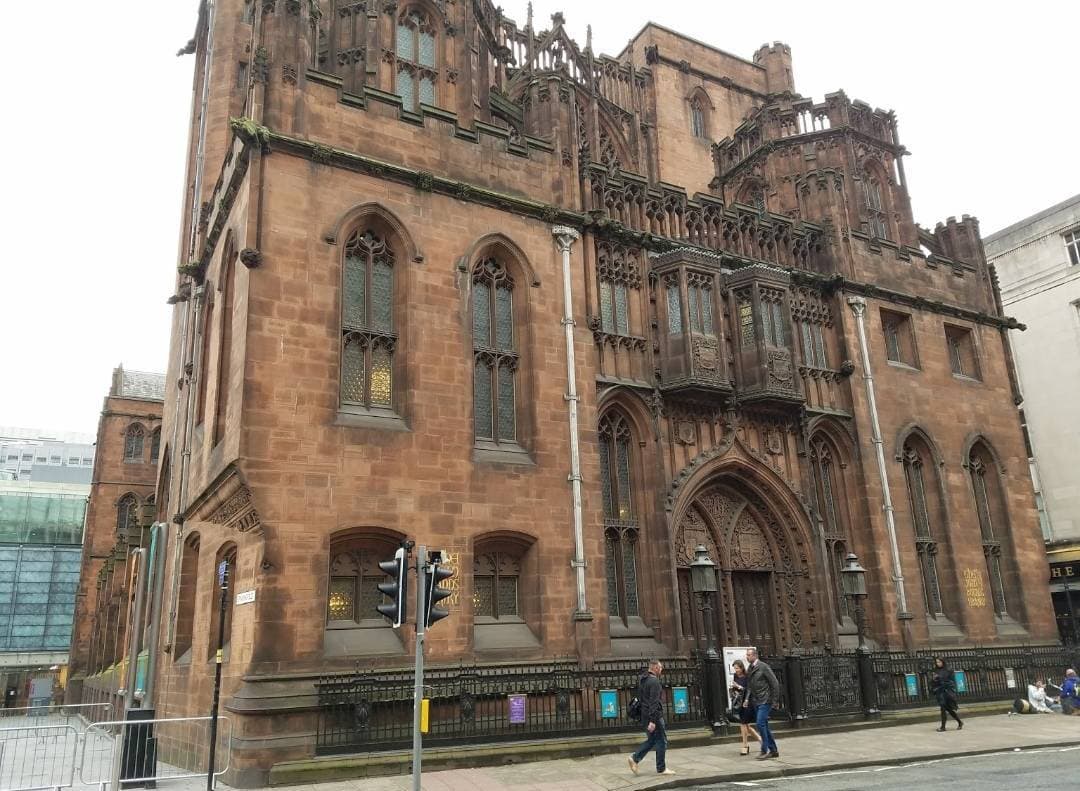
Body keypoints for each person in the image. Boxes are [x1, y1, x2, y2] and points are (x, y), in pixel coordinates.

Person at [627, 659, 675, 777]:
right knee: (662, 741)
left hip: (644, 716)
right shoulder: (654, 682)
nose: (661, 669)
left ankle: (635, 758)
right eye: (660, 667)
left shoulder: (643, 680)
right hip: (654, 717)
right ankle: (661, 768)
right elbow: (654, 703)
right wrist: (653, 720)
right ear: (655, 668)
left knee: (653, 740)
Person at [745, 648, 780, 759]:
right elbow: (750, 686)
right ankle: (773, 750)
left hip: (765, 700)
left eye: (749, 655)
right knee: (764, 725)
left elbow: (774, 683)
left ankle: (764, 750)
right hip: (757, 701)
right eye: (746, 655)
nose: (747, 657)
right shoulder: (750, 668)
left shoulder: (763, 667)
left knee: (760, 724)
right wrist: (746, 699)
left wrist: (773, 701)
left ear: (755, 655)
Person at [729, 659, 760, 756]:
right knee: (746, 725)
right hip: (739, 702)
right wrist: (733, 688)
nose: (736, 670)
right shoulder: (735, 676)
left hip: (747, 702)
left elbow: (749, 689)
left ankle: (745, 746)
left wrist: (739, 687)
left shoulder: (747, 676)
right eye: (734, 668)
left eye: (737, 668)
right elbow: (736, 689)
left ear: (742, 667)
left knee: (743, 724)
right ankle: (760, 739)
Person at [930, 657, 963, 731]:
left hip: (947, 692)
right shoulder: (935, 670)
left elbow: (952, 681)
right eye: (937, 662)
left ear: (943, 662)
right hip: (940, 692)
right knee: (945, 709)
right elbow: (932, 682)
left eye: (939, 662)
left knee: (945, 709)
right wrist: (934, 680)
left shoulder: (949, 670)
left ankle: (943, 727)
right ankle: (959, 722)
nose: (938, 664)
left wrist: (942, 680)